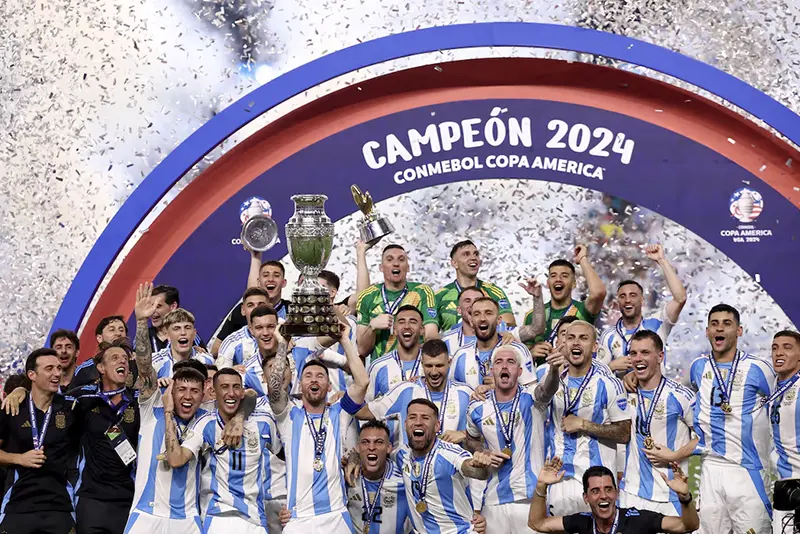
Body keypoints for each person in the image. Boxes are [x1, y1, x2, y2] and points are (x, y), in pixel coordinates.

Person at [125, 287, 248, 533]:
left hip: (189, 517)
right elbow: (143, 366)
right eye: (176, 328)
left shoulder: (204, 418)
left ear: (205, 388)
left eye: (187, 328)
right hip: (146, 515)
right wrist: (140, 323)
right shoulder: (153, 404)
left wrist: (240, 416)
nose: (188, 395)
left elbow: (247, 395)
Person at [267, 319, 368, 533]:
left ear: (329, 385)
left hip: (336, 517)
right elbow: (275, 390)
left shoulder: (339, 412)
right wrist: (282, 345)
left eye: (320, 376)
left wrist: (344, 340)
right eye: (308, 376)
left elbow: (362, 382)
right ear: (301, 384)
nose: (314, 380)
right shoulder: (289, 416)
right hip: (299, 519)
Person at [689, 304, 775, 534]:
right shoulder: (698, 367)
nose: (720, 329)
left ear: (739, 331)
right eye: (714, 324)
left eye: (727, 324)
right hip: (710, 469)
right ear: (707, 331)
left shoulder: (758, 368)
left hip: (747, 470)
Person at [463, 344, 562, 533]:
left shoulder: (532, 398)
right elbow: (470, 439)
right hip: (494, 501)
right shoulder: (477, 407)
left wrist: (554, 370)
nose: (505, 366)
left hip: (530, 499)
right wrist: (483, 452)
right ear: (492, 371)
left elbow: (548, 389)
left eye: (511, 362)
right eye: (499, 362)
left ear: (520, 371)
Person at [166, 368, 276, 533]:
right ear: (213, 392)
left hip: (256, 519)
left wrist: (240, 418)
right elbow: (176, 459)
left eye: (236, 387)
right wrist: (168, 412)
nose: (231, 393)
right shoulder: (205, 424)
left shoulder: (263, 422)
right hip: (218, 517)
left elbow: (252, 394)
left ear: (242, 392)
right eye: (224, 387)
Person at [544, 321, 631, 516]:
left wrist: (584, 424)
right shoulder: (550, 381)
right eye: (571, 338)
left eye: (583, 338)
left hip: (596, 483)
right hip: (559, 479)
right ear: (563, 343)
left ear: (594, 347)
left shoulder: (609, 384)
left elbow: (624, 433)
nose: (576, 343)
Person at [0, 349, 80, 534]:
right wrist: (18, 459)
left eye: (59, 368)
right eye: (49, 368)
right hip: (18, 505)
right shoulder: (13, 408)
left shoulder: (70, 407)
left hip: (59, 506)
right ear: (32, 375)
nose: (57, 373)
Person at [393, 399, 503, 534]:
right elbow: (377, 453)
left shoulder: (449, 453)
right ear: (405, 424)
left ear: (437, 426)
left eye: (425, 418)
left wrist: (480, 466)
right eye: (412, 417)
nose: (418, 422)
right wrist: (357, 460)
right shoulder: (401, 454)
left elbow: (471, 468)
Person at [619, 330, 697, 515]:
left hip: (670, 496)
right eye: (633, 353)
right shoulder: (623, 392)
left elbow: (707, 438)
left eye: (645, 352)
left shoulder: (681, 396)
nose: (638, 358)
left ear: (660, 356)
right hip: (631, 494)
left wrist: (675, 455)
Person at [69, 338, 142, 534]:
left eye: (125, 359)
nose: (122, 362)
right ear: (101, 367)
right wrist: (20, 391)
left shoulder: (138, 401)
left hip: (128, 498)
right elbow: (49, 399)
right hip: (92, 499)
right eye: (115, 358)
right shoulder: (83, 397)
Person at [527, 459, 699, 533]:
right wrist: (541, 486)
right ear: (585, 497)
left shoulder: (638, 519)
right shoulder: (582, 522)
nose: (603, 496)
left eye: (609, 489)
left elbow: (687, 526)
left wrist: (685, 498)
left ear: (616, 494)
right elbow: (537, 523)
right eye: (595, 491)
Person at [356, 339, 473, 446]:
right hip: (409, 467)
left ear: (449, 362)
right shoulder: (405, 391)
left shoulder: (465, 393)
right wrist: (348, 394)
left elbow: (488, 429)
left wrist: (464, 434)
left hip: (453, 466)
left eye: (439, 365)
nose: (434, 372)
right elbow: (362, 412)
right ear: (422, 364)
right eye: (429, 366)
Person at [597, 244, 687, 373]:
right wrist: (611, 366)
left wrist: (661, 260)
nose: (627, 300)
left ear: (642, 300)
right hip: (622, 393)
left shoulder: (658, 323)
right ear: (618, 302)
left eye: (633, 295)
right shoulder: (608, 335)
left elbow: (680, 298)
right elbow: (597, 376)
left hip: (656, 392)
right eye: (623, 296)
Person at [356, 244, 438, 360]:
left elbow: (431, 336)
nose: (396, 263)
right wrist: (372, 327)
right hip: (381, 371)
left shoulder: (423, 292)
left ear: (408, 267)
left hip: (416, 369)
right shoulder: (367, 296)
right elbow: (362, 350)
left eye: (401, 259)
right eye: (389, 259)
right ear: (381, 267)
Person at [522, 246, 606, 344]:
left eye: (564, 276)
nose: (558, 279)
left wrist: (582, 259)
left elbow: (598, 293)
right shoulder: (533, 315)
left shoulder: (583, 310)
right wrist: (532, 351)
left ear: (574, 283)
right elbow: (523, 353)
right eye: (553, 276)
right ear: (548, 283)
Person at [210, 258, 291, 355]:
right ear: (258, 282)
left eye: (276, 275)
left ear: (284, 283)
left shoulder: (292, 311)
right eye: (266, 275)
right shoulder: (242, 311)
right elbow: (215, 350)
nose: (270, 279)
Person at [345, 420, 413, 534]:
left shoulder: (404, 478)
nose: (371, 447)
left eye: (379, 442)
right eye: (365, 442)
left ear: (389, 448)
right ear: (358, 447)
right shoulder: (346, 476)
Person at [450, 298, 535, 388]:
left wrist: (504, 386)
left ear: (499, 320)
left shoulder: (518, 350)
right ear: (471, 321)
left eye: (488, 313)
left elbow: (532, 393)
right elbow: (452, 393)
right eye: (477, 314)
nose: (482, 318)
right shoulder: (460, 355)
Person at [435, 240, 516, 330]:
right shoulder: (440, 296)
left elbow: (509, 327)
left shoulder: (494, 292)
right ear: (454, 263)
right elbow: (429, 335)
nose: (473, 258)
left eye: (476, 254)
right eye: (466, 254)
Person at [766, 330, 800, 534]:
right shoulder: (776, 387)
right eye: (775, 348)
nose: (779, 353)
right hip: (784, 486)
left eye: (787, 348)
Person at [366, 305, 425, 402]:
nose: (407, 326)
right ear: (395, 330)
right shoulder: (378, 366)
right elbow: (366, 407)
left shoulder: (432, 365)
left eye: (413, 322)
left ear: (422, 330)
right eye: (401, 322)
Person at [70, 315, 137, 388]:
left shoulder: (137, 363)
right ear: (99, 338)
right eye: (111, 330)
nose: (118, 333)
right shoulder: (86, 369)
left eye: (121, 330)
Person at [136, 284, 205, 353]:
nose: (152, 310)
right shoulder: (143, 336)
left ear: (173, 307)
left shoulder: (187, 335)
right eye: (150, 306)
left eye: (158, 306)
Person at [215, 287, 271, 368]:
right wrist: (234, 373)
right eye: (250, 305)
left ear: (270, 307)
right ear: (243, 310)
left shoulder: (283, 335)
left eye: (261, 305)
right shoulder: (231, 342)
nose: (256, 309)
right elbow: (221, 376)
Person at [440, 286, 484, 355]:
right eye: (467, 301)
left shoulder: (500, 336)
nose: (472, 304)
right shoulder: (446, 341)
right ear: (459, 309)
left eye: (477, 300)